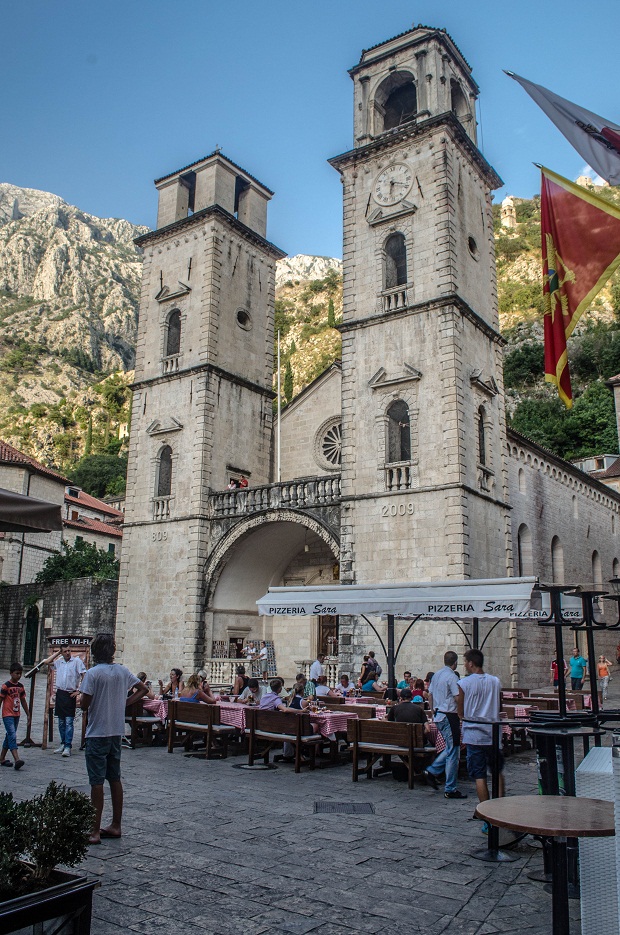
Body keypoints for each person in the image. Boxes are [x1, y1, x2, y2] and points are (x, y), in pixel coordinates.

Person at [79, 633, 148, 844]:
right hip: (116, 732)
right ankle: (116, 824)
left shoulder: (92, 674)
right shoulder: (122, 671)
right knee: (115, 778)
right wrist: (124, 703)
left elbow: (84, 704)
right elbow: (143, 689)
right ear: (112, 651)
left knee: (96, 781)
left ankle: (94, 831)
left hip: (97, 732)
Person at [457, 648, 503, 819]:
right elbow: (500, 706)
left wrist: (465, 715)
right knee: (497, 772)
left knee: (479, 775)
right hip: (493, 733)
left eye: (465, 662)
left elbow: (460, 711)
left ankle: (485, 814)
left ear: (470, 663)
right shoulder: (495, 681)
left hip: (474, 734)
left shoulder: (464, 683)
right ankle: (500, 811)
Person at [423, 650, 467, 800]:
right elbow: (457, 697)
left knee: (451, 748)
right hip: (449, 715)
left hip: (439, 715)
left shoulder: (436, 675)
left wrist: (432, 711)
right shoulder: (452, 677)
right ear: (455, 663)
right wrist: (462, 714)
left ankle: (433, 770)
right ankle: (450, 788)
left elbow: (430, 694)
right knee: (454, 750)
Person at [41, 647, 86, 757]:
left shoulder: (77, 661)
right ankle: (63, 743)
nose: (67, 653)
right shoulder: (59, 661)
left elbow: (84, 676)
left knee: (69, 721)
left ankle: (68, 746)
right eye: (65, 651)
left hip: (70, 693)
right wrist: (57, 653)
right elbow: (46, 662)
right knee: (61, 721)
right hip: (60, 693)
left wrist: (79, 691)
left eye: (68, 651)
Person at [0, 662, 28, 770]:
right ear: (11, 673)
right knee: (12, 735)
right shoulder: (6, 686)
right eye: (17, 673)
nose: (19, 676)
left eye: (20, 674)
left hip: (16, 714)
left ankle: (2, 758)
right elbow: (1, 700)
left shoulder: (20, 687)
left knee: (9, 736)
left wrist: (28, 714)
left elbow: (23, 701)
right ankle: (17, 759)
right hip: (7, 714)